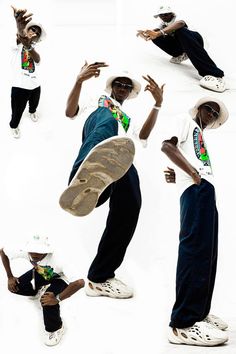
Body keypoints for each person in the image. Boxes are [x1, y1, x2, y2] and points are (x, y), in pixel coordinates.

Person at [59, 61, 164, 299]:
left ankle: (100, 277)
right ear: (112, 86)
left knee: (131, 206)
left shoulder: (128, 118)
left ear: (130, 92)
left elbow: (143, 135)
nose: (123, 88)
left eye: (127, 86)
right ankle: (80, 176)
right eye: (119, 84)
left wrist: (157, 104)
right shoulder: (98, 100)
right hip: (97, 139)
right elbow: (70, 112)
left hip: (119, 159)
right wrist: (78, 81)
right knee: (107, 119)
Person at [161, 96, 229, 346]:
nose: (210, 113)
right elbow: (167, 146)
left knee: (208, 254)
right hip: (196, 190)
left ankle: (199, 312)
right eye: (208, 108)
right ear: (198, 108)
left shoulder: (198, 133)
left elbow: (182, 156)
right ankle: (183, 324)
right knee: (194, 252)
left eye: (214, 113)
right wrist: (191, 174)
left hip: (204, 190)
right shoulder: (184, 121)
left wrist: (181, 172)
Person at [0, 235, 84, 346]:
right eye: (32, 252)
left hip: (61, 278)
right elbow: (3, 252)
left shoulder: (60, 258)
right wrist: (10, 277)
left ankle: (56, 328)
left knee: (47, 301)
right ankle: (36, 290)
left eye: (39, 252)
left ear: (46, 251)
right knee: (15, 287)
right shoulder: (25, 251)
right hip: (42, 271)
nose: (34, 255)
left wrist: (57, 298)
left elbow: (80, 282)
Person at [137, 5, 226, 93]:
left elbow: (180, 24)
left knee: (180, 30)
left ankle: (215, 75)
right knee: (155, 36)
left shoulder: (179, 18)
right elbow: (156, 30)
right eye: (161, 15)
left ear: (172, 14)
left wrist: (160, 32)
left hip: (196, 42)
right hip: (183, 45)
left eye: (166, 14)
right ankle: (180, 54)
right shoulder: (163, 24)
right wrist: (146, 33)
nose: (163, 17)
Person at [9, 6, 46, 138]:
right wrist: (19, 27)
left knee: (34, 104)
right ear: (26, 30)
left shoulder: (35, 48)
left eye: (37, 32)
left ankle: (32, 112)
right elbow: (20, 37)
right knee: (17, 111)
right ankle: (13, 126)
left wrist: (29, 46)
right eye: (32, 29)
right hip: (19, 87)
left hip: (35, 85)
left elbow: (37, 59)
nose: (34, 32)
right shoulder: (17, 44)